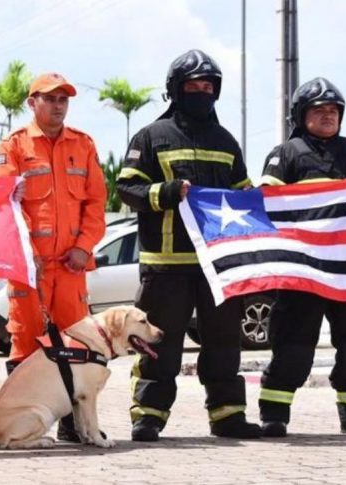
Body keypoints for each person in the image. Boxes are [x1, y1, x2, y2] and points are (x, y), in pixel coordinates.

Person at [117, 49, 261, 442]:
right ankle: (147, 416)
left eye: (208, 86)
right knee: (158, 345)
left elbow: (242, 195)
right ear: (175, 90)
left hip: (218, 265)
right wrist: (164, 192)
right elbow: (126, 188)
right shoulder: (150, 137)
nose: (202, 92)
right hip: (165, 265)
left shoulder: (226, 141)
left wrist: (263, 200)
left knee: (224, 344)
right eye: (193, 86)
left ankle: (228, 416)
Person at [257, 77, 346, 437]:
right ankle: (274, 413)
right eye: (319, 111)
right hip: (302, 270)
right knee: (294, 344)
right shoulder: (284, 154)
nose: (328, 116)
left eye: (334, 111)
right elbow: (266, 204)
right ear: (301, 115)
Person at [0, 72, 107, 442]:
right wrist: (27, 251)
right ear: (32, 103)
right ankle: (16, 423)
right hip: (30, 269)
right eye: (49, 98)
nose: (57, 106)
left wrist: (83, 246)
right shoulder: (14, 146)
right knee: (27, 344)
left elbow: (95, 203)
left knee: (76, 347)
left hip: (71, 268)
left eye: (63, 99)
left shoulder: (83, 144)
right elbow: (6, 201)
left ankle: (74, 427)